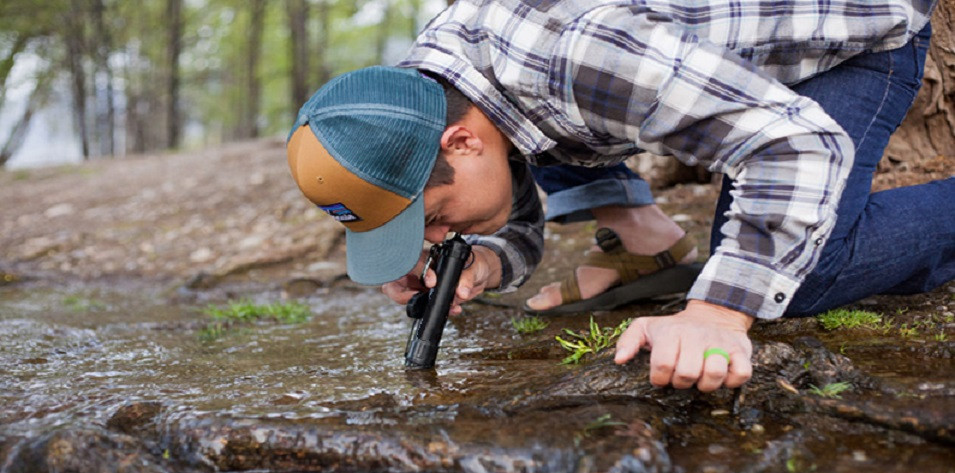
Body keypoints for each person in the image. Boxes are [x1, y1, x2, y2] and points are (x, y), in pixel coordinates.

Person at [286, 0, 953, 392]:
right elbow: (500, 185)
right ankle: (646, 241)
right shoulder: (429, 85)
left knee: (792, 277)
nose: (434, 242)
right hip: (652, 66)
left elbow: (794, 144)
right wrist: (485, 261)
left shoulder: (577, 61)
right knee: (533, 135)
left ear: (459, 143)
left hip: (844, 36)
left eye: (429, 220)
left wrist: (717, 314)